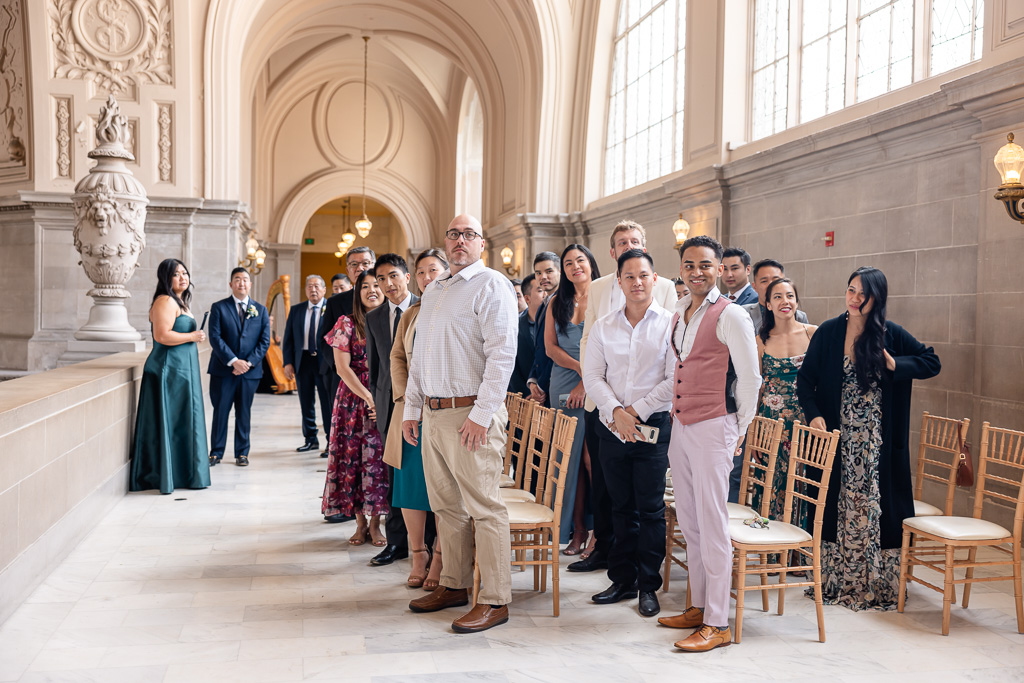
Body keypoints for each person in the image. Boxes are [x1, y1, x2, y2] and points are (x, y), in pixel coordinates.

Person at [796, 267, 940, 611]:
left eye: (863, 293)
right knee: (838, 506)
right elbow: (805, 380)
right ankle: (836, 581)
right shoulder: (830, 331)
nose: (855, 299)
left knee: (876, 508)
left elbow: (931, 361)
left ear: (877, 298)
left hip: (878, 443)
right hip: (837, 438)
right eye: (851, 290)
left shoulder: (892, 334)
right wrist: (813, 413)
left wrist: (896, 364)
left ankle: (878, 583)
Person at [403, 214, 517, 635]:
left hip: (470, 414)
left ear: (481, 243)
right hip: (433, 413)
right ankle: (453, 583)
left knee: (485, 508)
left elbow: (503, 355)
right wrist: (412, 410)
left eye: (468, 234)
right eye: (453, 234)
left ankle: (495, 599)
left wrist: (481, 416)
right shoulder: (434, 289)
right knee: (446, 507)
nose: (459, 241)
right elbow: (419, 357)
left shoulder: (492, 286)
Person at [657, 235, 760, 653]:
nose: (696, 272)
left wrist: (740, 429)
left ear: (720, 269)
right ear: (680, 269)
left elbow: (751, 378)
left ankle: (718, 623)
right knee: (691, 521)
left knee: (714, 524)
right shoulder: (679, 311)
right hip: (682, 426)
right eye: (689, 265)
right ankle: (699, 606)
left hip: (716, 426)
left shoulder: (731, 315)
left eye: (705, 265)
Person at [573, 220, 677, 571]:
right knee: (609, 490)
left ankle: (646, 578)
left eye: (635, 240)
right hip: (603, 406)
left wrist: (633, 410)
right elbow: (589, 341)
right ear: (613, 253)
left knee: (646, 502)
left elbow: (672, 362)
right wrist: (611, 407)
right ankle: (610, 559)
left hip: (650, 414)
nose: (636, 282)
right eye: (622, 242)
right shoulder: (600, 289)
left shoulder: (664, 296)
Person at [386, 248, 448, 589]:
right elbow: (397, 356)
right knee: (411, 484)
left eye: (433, 270)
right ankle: (418, 554)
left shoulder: (457, 308)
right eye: (421, 272)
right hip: (411, 411)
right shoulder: (411, 314)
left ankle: (440, 557)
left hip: (445, 409)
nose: (427, 277)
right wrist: (406, 397)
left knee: (441, 486)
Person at [129, 259, 210, 494]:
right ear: (166, 278)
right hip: (168, 370)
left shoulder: (179, 302)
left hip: (183, 370)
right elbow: (162, 336)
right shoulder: (164, 301)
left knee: (183, 421)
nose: (183, 278)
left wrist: (194, 336)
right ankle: (167, 475)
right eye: (176, 274)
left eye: (185, 273)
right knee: (172, 422)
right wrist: (192, 336)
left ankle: (184, 473)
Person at [323, 271, 388, 544]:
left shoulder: (392, 321)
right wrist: (368, 397)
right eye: (365, 287)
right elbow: (342, 368)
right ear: (357, 292)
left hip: (385, 396)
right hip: (353, 400)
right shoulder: (346, 323)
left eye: (377, 285)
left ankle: (377, 525)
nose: (372, 290)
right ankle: (360, 524)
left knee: (378, 463)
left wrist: (382, 398)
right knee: (353, 461)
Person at [750, 279, 817, 531]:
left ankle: (798, 548)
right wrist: (754, 428)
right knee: (770, 481)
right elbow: (757, 388)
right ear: (768, 304)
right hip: (770, 421)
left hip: (805, 419)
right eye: (777, 297)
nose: (784, 301)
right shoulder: (760, 340)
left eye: (789, 296)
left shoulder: (813, 333)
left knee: (802, 482)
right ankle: (771, 548)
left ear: (797, 301)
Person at [545, 244, 599, 553]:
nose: (575, 266)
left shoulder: (605, 298)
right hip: (563, 382)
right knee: (571, 462)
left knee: (594, 461)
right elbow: (551, 348)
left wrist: (588, 380)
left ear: (591, 263)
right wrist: (580, 369)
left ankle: (598, 531)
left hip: (598, 385)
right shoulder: (557, 302)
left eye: (580, 260)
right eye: (568, 263)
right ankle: (577, 529)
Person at [365, 254, 418, 568]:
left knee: (424, 477)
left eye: (393, 276)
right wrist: (378, 404)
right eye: (381, 279)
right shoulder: (374, 318)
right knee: (394, 477)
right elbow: (375, 369)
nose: (387, 284)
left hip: (426, 405)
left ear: (407, 277)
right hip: (390, 408)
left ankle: (427, 543)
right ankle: (397, 543)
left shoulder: (426, 307)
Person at [207, 267, 271, 467]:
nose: (241, 283)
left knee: (244, 412)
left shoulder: (260, 310)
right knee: (221, 411)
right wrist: (233, 360)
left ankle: (242, 453)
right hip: (223, 370)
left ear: (250, 284)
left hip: (249, 373)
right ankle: (216, 453)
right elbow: (215, 338)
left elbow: (265, 341)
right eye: (237, 279)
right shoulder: (219, 308)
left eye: (245, 279)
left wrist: (248, 363)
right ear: (231, 284)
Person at [318, 248, 376, 455]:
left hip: (380, 380)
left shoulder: (386, 298)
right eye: (354, 264)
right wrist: (343, 366)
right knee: (349, 438)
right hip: (344, 375)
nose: (360, 268)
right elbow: (323, 339)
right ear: (348, 270)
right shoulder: (336, 302)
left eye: (366, 263)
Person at [282, 275, 331, 453]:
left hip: (325, 362)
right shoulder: (297, 310)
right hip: (303, 361)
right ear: (305, 290)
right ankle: (310, 439)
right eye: (309, 286)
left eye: (317, 286)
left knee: (327, 403)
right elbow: (288, 339)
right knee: (306, 402)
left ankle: (330, 441)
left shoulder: (331, 308)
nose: (313, 290)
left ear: (324, 290)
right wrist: (287, 362)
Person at [526, 251, 561, 405]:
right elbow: (540, 348)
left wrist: (542, 385)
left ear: (560, 272)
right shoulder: (544, 304)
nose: (543, 277)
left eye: (549, 271)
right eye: (538, 273)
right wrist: (533, 381)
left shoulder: (563, 304)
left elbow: (558, 347)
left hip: (557, 382)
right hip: (543, 385)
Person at [743, 259, 809, 332]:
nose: (771, 285)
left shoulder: (800, 317)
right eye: (764, 281)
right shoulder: (743, 313)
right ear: (755, 287)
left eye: (776, 280)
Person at [508, 273, 544, 396]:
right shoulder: (512, 327)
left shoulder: (554, 323)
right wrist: (526, 393)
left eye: (517, 296)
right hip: (523, 396)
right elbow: (510, 365)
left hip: (550, 393)